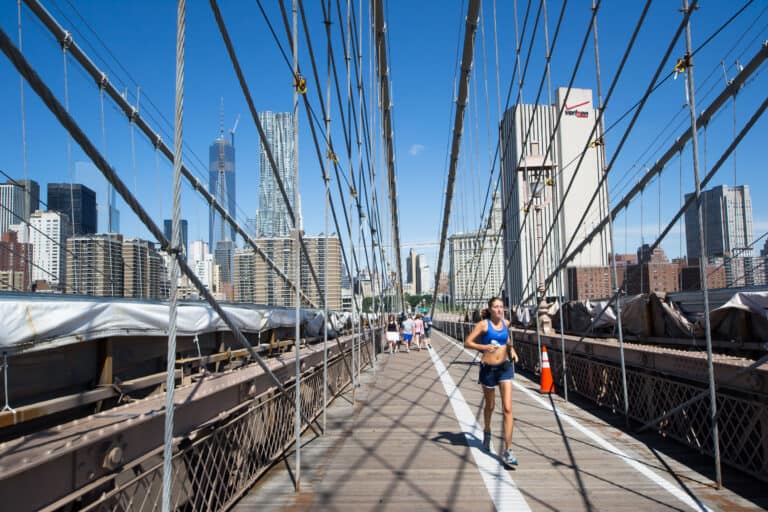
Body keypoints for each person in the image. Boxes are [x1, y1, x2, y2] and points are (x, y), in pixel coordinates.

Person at [464, 297, 520, 467]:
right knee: (490, 406)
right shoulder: (483, 325)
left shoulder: (506, 323)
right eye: (496, 307)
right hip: (488, 369)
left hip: (505, 368)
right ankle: (487, 430)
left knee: (508, 408)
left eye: (501, 307)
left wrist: (513, 352)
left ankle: (508, 450)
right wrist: (483, 347)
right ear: (490, 309)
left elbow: (507, 341)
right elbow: (467, 342)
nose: (499, 310)